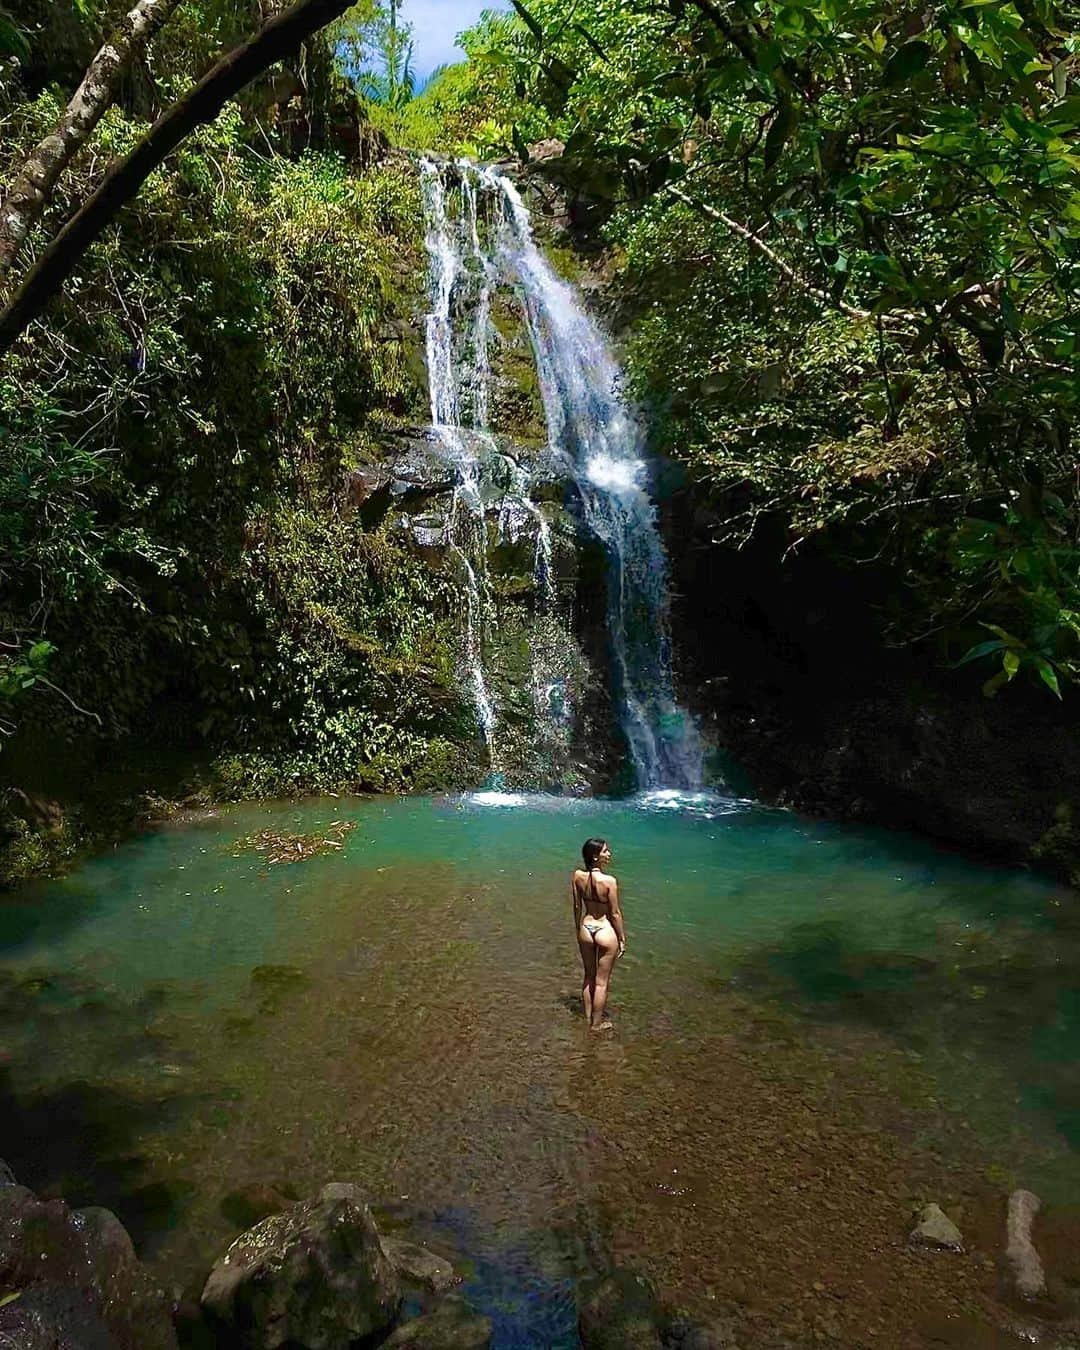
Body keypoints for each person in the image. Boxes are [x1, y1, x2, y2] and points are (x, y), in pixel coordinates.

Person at [572, 837, 625, 1031]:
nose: (609, 854)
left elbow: (577, 906)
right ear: (595, 857)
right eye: (605, 851)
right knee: (601, 983)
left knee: (588, 977)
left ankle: (587, 1019)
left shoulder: (577, 876)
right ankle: (596, 1024)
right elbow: (614, 913)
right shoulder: (609, 881)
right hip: (604, 929)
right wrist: (621, 938)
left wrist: (577, 927)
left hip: (586, 928)